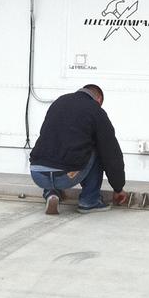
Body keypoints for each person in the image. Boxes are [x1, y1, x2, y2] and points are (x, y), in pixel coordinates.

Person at [30, 84, 128, 214]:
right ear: (98, 99)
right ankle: (90, 201)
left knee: (53, 147)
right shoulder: (95, 109)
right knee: (99, 147)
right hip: (66, 176)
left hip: (38, 173)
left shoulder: (59, 102)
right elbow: (111, 152)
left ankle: (51, 193)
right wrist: (118, 187)